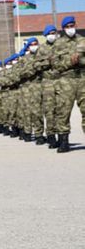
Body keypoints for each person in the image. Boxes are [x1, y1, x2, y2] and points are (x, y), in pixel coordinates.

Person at [52, 16, 85, 152]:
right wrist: (70, 62)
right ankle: (64, 141)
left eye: (72, 25)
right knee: (63, 111)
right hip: (66, 80)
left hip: (82, 78)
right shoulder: (58, 44)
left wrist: (80, 61)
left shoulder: (82, 40)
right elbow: (55, 65)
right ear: (64, 28)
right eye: (68, 26)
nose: (71, 28)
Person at [41, 25, 60, 148]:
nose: (53, 35)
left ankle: (62, 137)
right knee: (49, 110)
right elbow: (36, 65)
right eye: (50, 33)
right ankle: (51, 136)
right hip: (48, 82)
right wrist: (48, 61)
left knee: (62, 110)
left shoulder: (61, 46)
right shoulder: (42, 49)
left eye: (54, 32)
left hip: (62, 81)